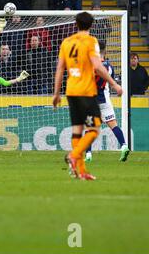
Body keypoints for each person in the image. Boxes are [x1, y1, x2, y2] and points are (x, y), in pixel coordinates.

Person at [53, 12, 123, 181]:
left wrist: (56, 93)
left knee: (78, 131)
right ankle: (74, 155)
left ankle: (80, 171)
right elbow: (98, 66)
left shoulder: (66, 42)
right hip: (86, 92)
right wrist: (114, 84)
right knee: (94, 128)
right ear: (91, 25)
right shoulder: (91, 41)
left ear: (76, 24)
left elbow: (60, 69)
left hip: (71, 92)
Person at [85, 41, 130, 163]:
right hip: (104, 101)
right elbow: (109, 83)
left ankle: (88, 154)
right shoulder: (109, 67)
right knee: (114, 125)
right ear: (105, 51)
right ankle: (124, 146)